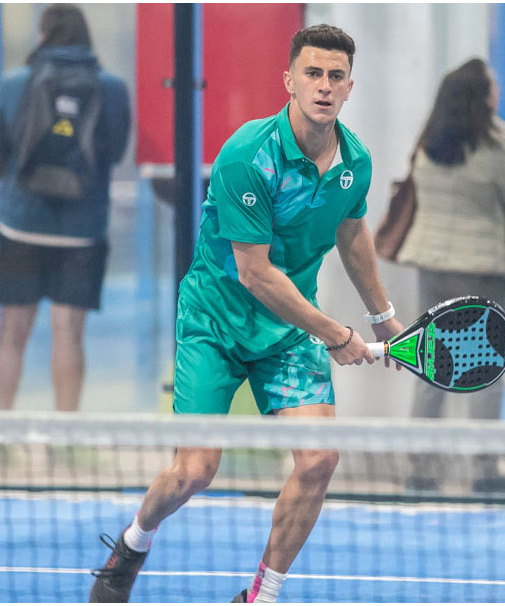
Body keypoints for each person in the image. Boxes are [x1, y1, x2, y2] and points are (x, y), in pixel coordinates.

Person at [89, 25, 403, 603]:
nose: (324, 86)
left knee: (319, 460)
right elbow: (254, 273)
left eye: (336, 76)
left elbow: (351, 230)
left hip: (288, 332)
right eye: (313, 73)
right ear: (289, 81)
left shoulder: (354, 162)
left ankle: (261, 595)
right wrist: (336, 334)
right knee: (193, 472)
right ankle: (134, 542)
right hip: (215, 322)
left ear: (349, 87)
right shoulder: (247, 156)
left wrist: (382, 314)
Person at [396, 58, 505, 495]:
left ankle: (421, 471)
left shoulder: (429, 143)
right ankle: (485, 470)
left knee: (431, 365)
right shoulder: (498, 146)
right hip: (481, 270)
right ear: (482, 96)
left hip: (433, 267)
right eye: (493, 86)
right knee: (486, 370)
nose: (498, 92)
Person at [0, 4, 130, 412]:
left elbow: (0, 151)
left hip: (20, 223)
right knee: (68, 332)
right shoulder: (111, 87)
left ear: (44, 34)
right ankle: (65, 431)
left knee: (11, 331)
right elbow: (116, 152)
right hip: (82, 230)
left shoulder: (15, 82)